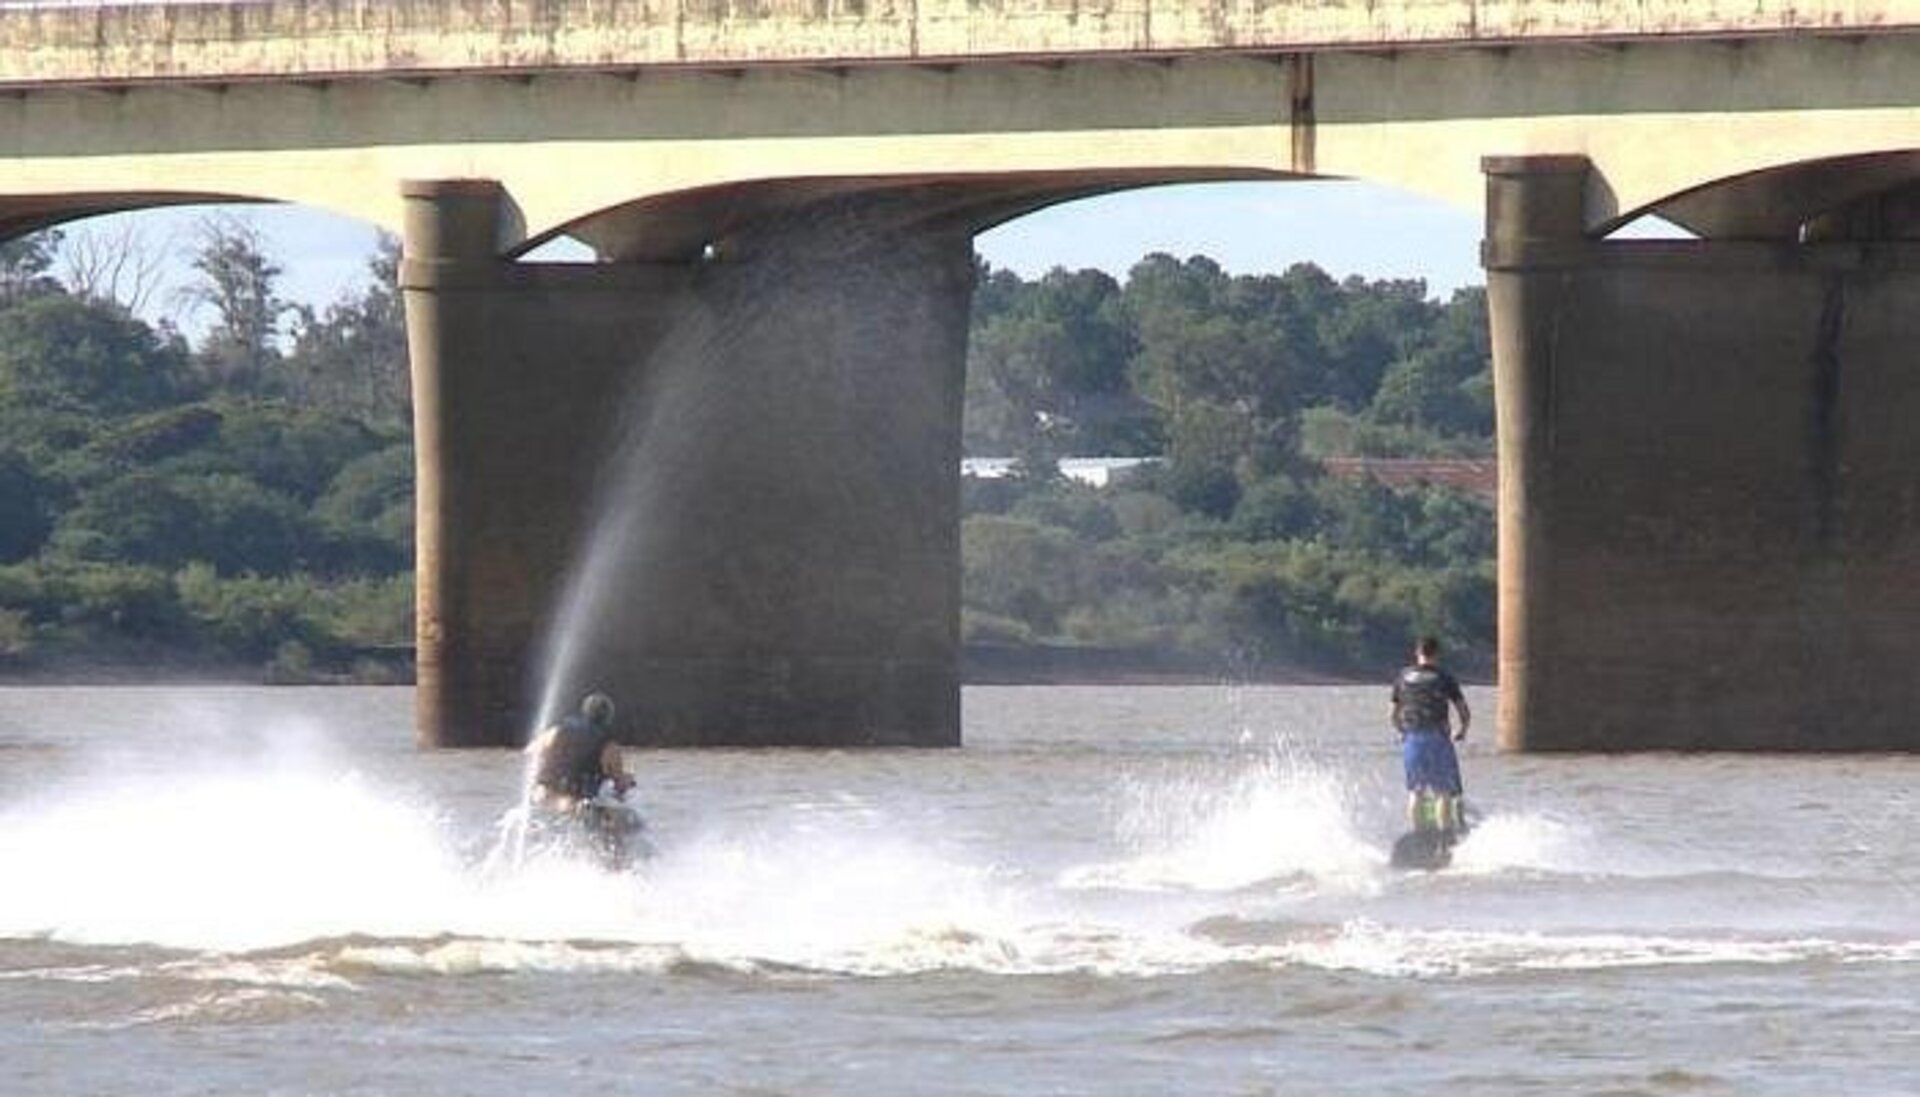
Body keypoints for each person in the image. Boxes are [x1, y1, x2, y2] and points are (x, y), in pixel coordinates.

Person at [1389, 636, 1471, 831]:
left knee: (1416, 791)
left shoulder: (1402, 677)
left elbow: (1393, 715)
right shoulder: (1444, 677)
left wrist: (1402, 732)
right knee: (1443, 791)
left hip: (1412, 739)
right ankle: (1445, 832)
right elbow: (1463, 712)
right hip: (1437, 738)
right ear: (1437, 654)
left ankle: (1419, 833)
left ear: (1417, 652)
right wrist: (1462, 731)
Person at [527, 691, 634, 813]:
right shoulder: (609, 745)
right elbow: (619, 784)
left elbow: (530, 751)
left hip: (545, 797)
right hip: (576, 805)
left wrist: (546, 764)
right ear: (608, 717)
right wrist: (627, 781)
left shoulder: (556, 731)